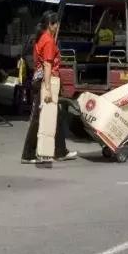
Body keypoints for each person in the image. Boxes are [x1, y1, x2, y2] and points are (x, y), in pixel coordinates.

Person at [21, 11, 76, 167]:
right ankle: (28, 153)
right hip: (47, 80)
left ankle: (60, 151)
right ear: (51, 25)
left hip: (42, 79)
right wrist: (48, 88)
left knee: (55, 116)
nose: (58, 26)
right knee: (39, 117)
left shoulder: (40, 38)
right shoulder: (49, 41)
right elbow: (47, 64)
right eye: (56, 23)